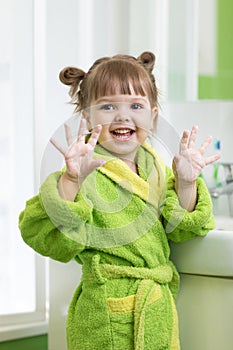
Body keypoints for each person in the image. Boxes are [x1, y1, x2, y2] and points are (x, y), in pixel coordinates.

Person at [19, 52, 220, 350]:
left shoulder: (155, 168)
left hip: (155, 309)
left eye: (135, 106)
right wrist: (71, 181)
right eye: (108, 106)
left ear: (152, 115)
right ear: (86, 117)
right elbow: (41, 234)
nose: (122, 116)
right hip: (106, 315)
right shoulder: (85, 170)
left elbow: (181, 229)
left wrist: (187, 182)